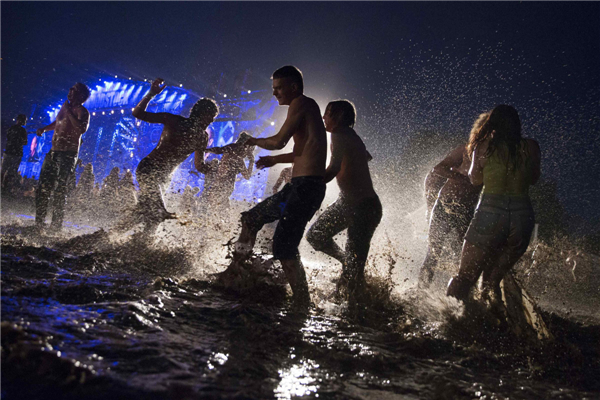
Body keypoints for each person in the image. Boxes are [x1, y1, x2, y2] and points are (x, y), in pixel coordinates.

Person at [221, 65, 327, 307]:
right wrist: (273, 160)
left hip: (306, 187)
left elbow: (279, 141)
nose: (274, 93)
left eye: (278, 88)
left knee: (284, 248)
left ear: (293, 87)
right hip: (298, 187)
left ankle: (302, 304)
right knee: (250, 219)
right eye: (274, 88)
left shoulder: (301, 103)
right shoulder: (305, 108)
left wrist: (253, 141)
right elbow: (301, 151)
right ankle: (235, 272)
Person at [446, 105, 541, 306]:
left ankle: (451, 323)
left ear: (492, 123)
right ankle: (497, 327)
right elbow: (534, 178)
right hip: (522, 219)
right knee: (491, 282)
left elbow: (475, 179)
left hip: (490, 212)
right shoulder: (531, 147)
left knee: (464, 278)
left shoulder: (483, 147)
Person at [305, 100, 382, 301]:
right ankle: (346, 264)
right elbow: (367, 156)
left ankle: (357, 313)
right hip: (348, 203)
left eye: (327, 113)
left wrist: (307, 181)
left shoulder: (339, 134)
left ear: (338, 116)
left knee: (353, 270)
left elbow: (333, 169)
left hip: (364, 207)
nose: (323, 117)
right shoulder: (350, 136)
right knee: (316, 235)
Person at [123, 78, 218, 233]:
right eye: (210, 115)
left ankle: (113, 236)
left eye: (214, 117)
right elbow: (137, 113)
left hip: (164, 178)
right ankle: (138, 245)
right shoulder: (173, 120)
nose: (212, 120)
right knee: (157, 212)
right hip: (149, 168)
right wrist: (151, 93)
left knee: (145, 213)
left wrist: (212, 170)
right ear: (199, 113)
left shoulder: (202, 137)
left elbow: (199, 165)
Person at [418, 113, 488, 288]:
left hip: (467, 211)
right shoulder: (464, 151)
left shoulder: (494, 158)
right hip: (445, 204)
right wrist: (460, 177)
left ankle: (461, 297)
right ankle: (420, 292)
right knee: (433, 253)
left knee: (463, 257)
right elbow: (438, 168)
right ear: (480, 131)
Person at [35, 83, 91, 231]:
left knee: (60, 190)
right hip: (53, 152)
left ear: (81, 95)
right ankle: (39, 223)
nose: (70, 91)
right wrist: (45, 128)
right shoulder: (65, 108)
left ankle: (56, 225)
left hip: (68, 154)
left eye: (74, 90)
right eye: (70, 88)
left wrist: (69, 112)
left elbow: (81, 129)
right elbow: (58, 122)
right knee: (43, 187)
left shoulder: (82, 111)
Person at [203, 131, 255, 212]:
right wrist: (251, 161)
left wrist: (206, 150)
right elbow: (247, 176)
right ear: (245, 147)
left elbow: (218, 150)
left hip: (221, 187)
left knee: (217, 210)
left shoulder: (236, 156)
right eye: (250, 150)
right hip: (221, 187)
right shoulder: (235, 153)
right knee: (219, 210)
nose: (248, 153)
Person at [2, 114, 28, 194]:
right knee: (11, 172)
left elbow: (8, 138)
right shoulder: (23, 131)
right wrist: (19, 142)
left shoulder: (11, 128)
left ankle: (2, 186)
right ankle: (6, 188)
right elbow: (25, 142)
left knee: (3, 170)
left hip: (9, 151)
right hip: (17, 153)